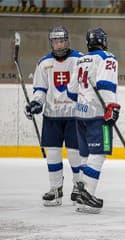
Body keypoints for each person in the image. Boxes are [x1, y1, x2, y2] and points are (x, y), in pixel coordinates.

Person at [24, 26, 82, 206]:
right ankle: (56, 189)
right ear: (51, 43)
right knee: (53, 153)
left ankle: (79, 187)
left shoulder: (79, 59)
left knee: (75, 153)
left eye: (62, 40)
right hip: (52, 115)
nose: (59, 44)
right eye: (56, 41)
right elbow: (40, 89)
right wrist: (36, 103)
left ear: (67, 40)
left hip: (74, 115)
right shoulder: (44, 63)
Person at [67, 28, 120, 214]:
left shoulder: (81, 59)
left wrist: (84, 102)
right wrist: (111, 106)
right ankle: (88, 194)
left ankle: (82, 195)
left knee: (85, 156)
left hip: (80, 114)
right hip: (99, 114)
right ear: (103, 41)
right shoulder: (107, 57)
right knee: (98, 154)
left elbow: (71, 91)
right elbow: (106, 84)